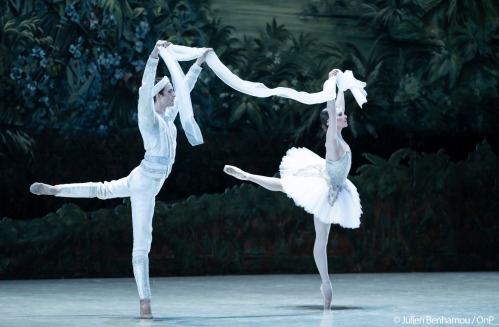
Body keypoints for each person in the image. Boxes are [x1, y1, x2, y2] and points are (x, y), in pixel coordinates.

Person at [30, 40, 212, 319]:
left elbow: (185, 89)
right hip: (143, 185)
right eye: (169, 91)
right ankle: (145, 302)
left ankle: (56, 189)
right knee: (140, 241)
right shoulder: (149, 120)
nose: (174, 94)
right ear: (158, 97)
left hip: (147, 182)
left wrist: (198, 63)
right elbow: (144, 89)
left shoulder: (168, 118)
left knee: (103, 190)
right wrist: (153, 57)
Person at [223, 69, 362, 310]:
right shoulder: (332, 138)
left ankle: (248, 176)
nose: (344, 114)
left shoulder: (338, 133)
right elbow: (332, 107)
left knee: (287, 188)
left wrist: (340, 83)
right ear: (328, 122)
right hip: (328, 190)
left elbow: (337, 103)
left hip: (332, 181)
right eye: (340, 115)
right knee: (319, 236)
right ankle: (326, 283)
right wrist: (329, 84)